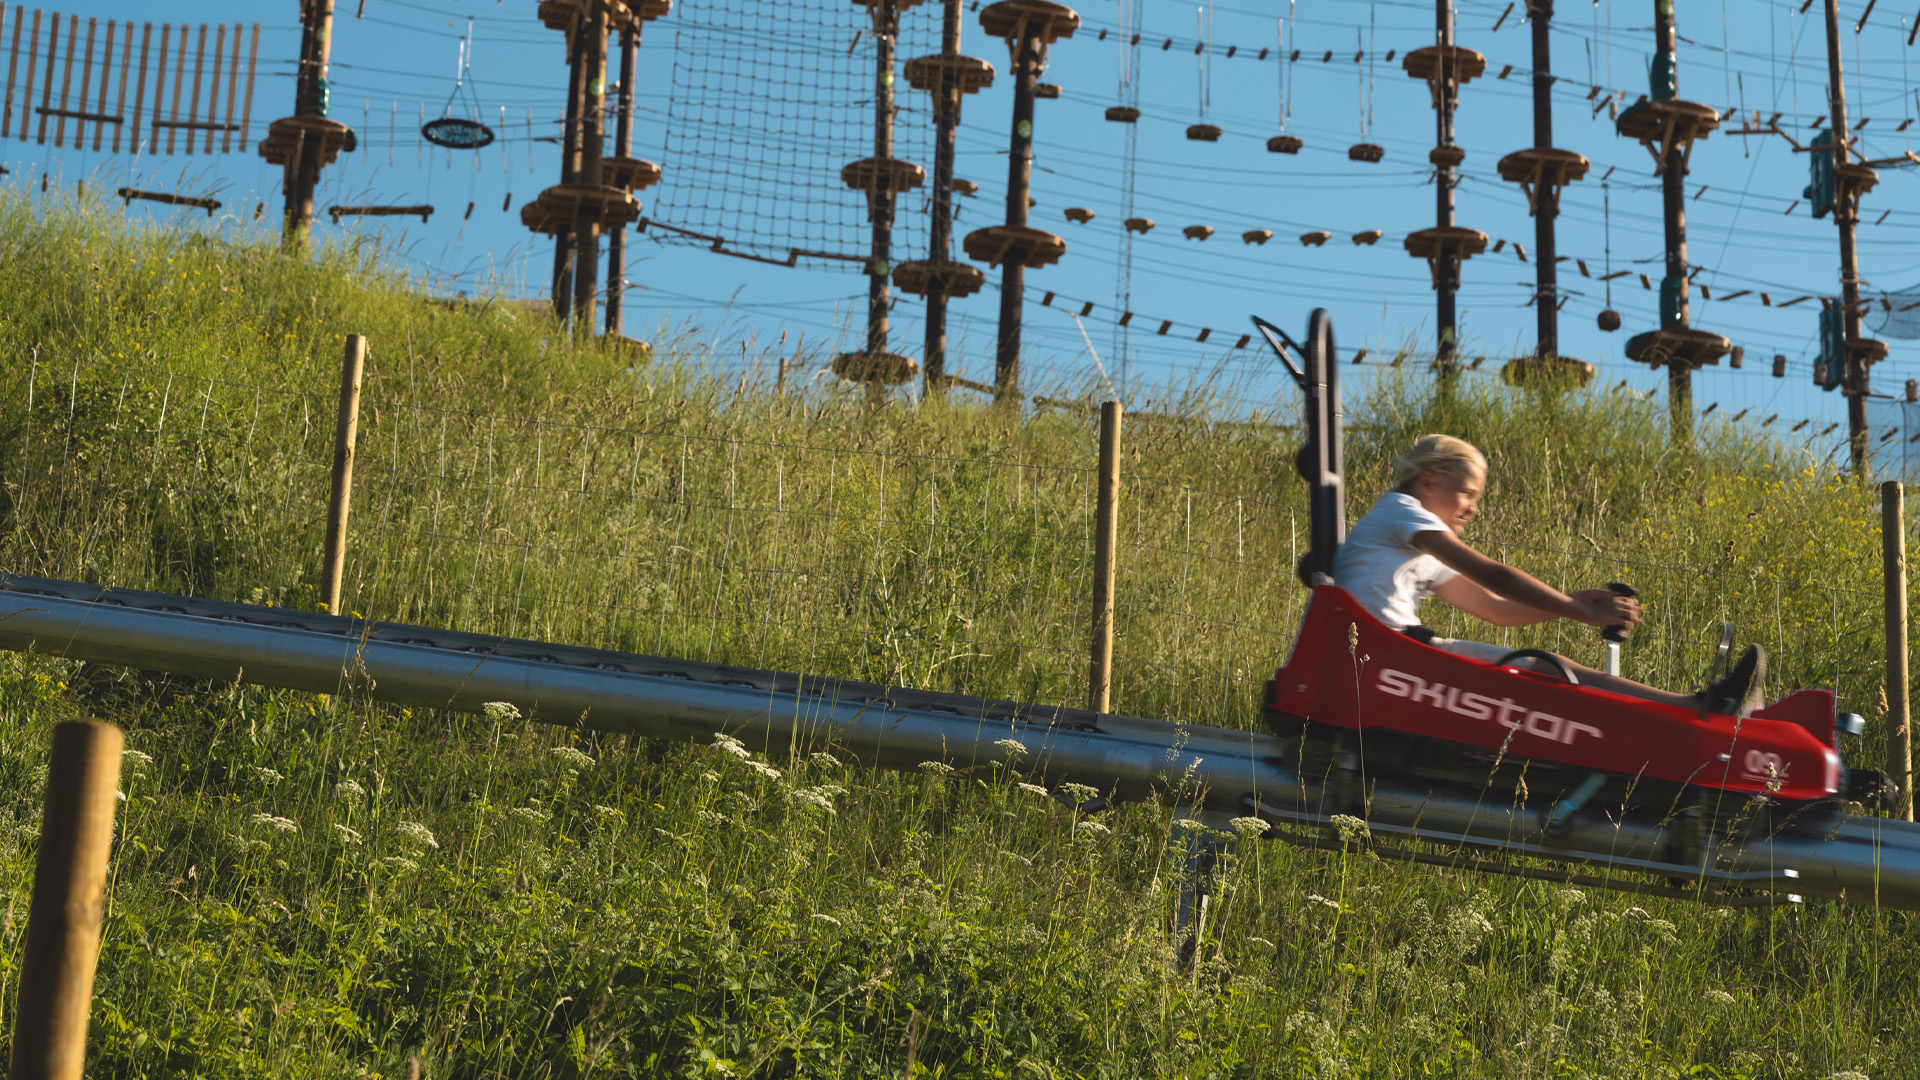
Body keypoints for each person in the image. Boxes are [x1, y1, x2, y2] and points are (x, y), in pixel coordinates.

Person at [1333, 433, 1765, 716]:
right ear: (1427, 482)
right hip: (1385, 656)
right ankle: (1694, 708)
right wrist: (1580, 611)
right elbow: (1497, 578)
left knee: (1548, 668)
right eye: (1467, 493)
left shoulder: (1413, 532)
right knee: (1546, 670)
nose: (1473, 508)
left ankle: (1695, 706)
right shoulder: (1402, 512)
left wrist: (1568, 603)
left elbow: (1495, 609)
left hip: (1394, 652)